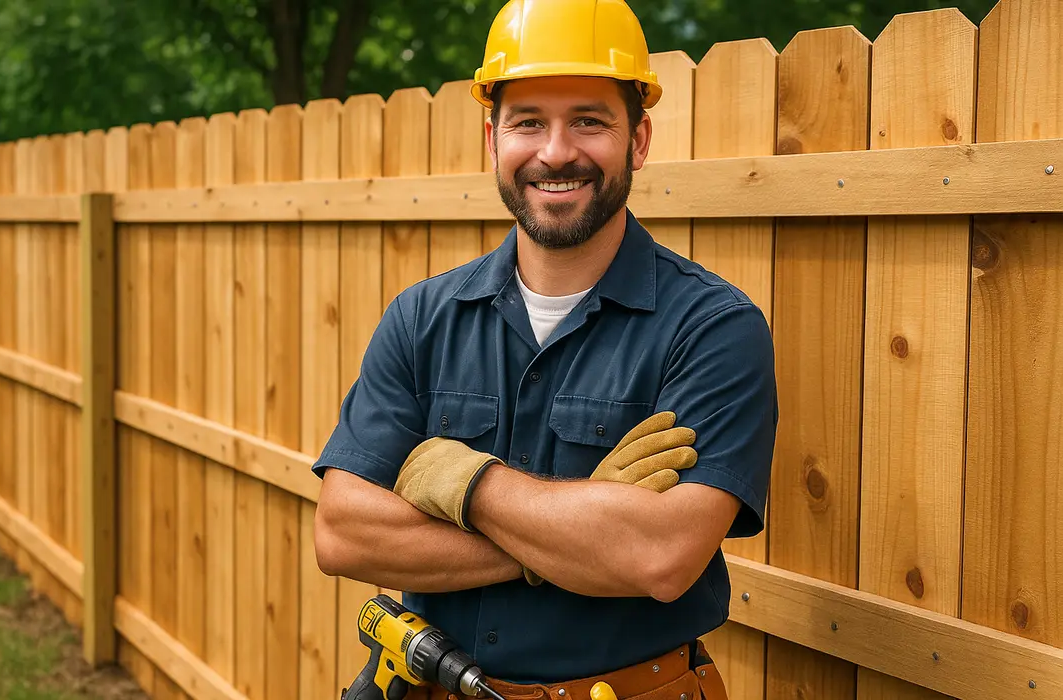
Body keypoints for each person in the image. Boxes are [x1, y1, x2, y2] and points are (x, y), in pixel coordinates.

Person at [312, 0, 776, 698]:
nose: (556, 152)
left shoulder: (712, 328)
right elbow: (345, 535)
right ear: (492, 138)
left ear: (639, 139)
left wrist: (468, 482)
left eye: (589, 120)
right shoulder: (422, 319)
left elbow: (661, 555)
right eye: (528, 122)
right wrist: (582, 525)